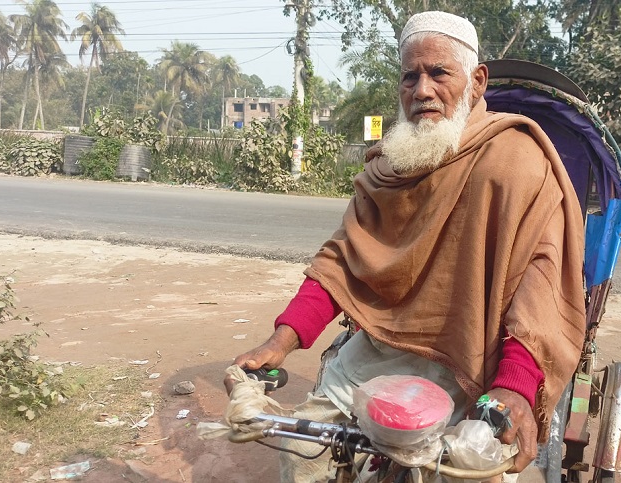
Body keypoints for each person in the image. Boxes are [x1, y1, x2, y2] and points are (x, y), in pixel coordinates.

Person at [228, 10, 585, 481]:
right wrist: (282, 339)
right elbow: (343, 260)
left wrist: (515, 383)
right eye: (409, 76)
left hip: (477, 360)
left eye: (439, 73)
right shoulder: (386, 168)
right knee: (302, 454)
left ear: (477, 82)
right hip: (379, 352)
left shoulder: (515, 161)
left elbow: (539, 289)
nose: (422, 90)